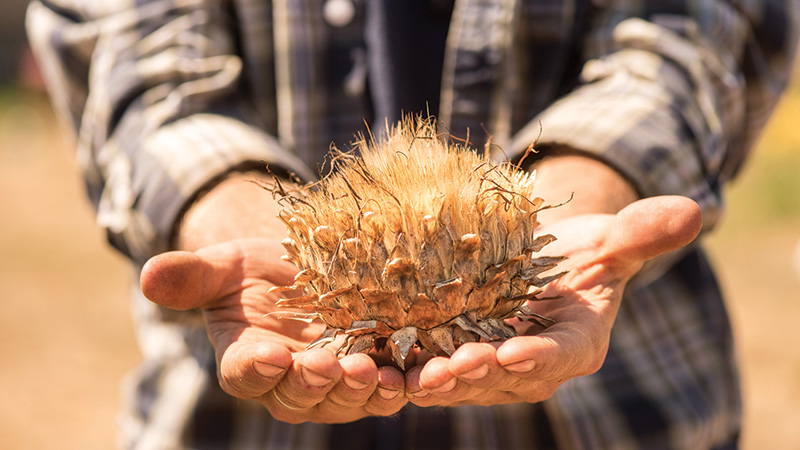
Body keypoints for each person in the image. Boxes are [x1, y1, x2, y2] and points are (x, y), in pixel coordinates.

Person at [27, 0, 798, 448]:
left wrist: (589, 182)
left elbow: (689, 34)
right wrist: (223, 206)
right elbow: (136, 53)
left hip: (622, 414)